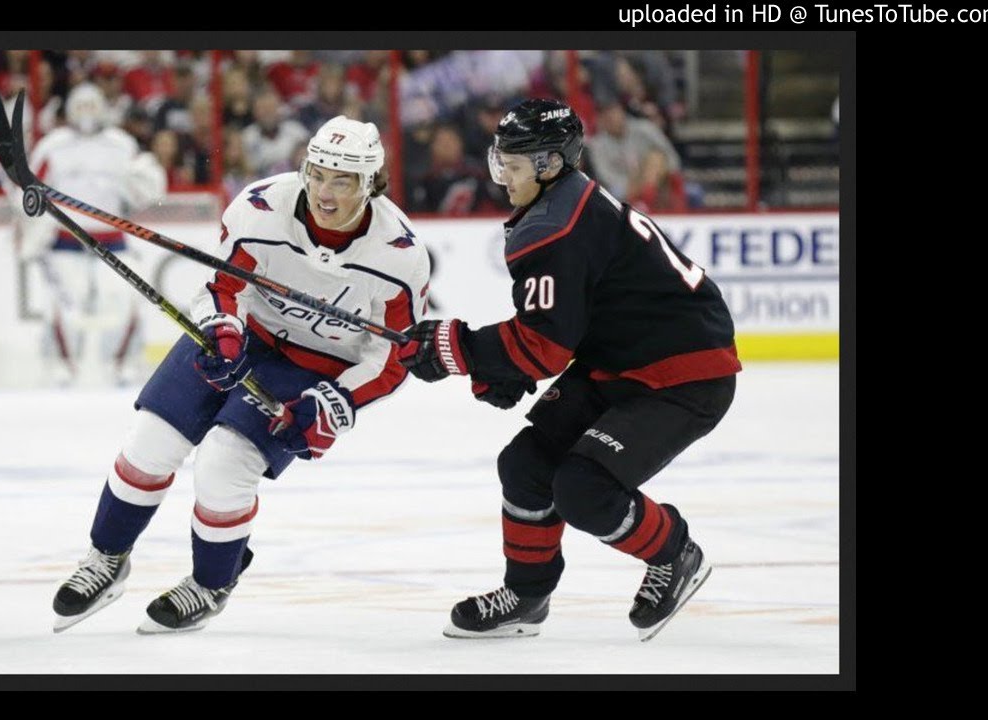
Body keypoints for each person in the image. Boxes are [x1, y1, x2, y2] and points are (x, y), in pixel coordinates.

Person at [52, 115, 430, 634]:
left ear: (371, 185)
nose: (324, 191)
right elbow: (225, 286)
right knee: (150, 441)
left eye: (342, 180)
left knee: (224, 464)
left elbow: (390, 356)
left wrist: (333, 405)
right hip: (246, 332)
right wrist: (223, 329)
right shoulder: (262, 209)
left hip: (312, 365)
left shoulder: (399, 257)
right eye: (317, 173)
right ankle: (107, 559)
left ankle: (210, 584)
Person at [400, 98, 740, 642]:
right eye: (500, 161)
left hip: (682, 376)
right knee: (526, 465)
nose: (501, 176)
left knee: (583, 486)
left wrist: (454, 348)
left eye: (513, 165)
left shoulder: (558, 227)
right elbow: (560, 328)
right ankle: (528, 595)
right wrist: (498, 367)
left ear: (551, 164)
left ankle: (676, 552)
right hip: (621, 359)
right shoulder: (562, 204)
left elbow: (542, 348)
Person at [23, 82, 167, 386]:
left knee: (126, 300)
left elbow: (143, 188)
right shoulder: (53, 145)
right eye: (81, 105)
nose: (87, 113)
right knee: (64, 306)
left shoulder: (121, 144)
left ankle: (121, 366)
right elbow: (29, 190)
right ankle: (61, 367)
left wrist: (146, 184)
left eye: (92, 105)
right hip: (65, 242)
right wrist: (30, 226)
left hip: (112, 240)